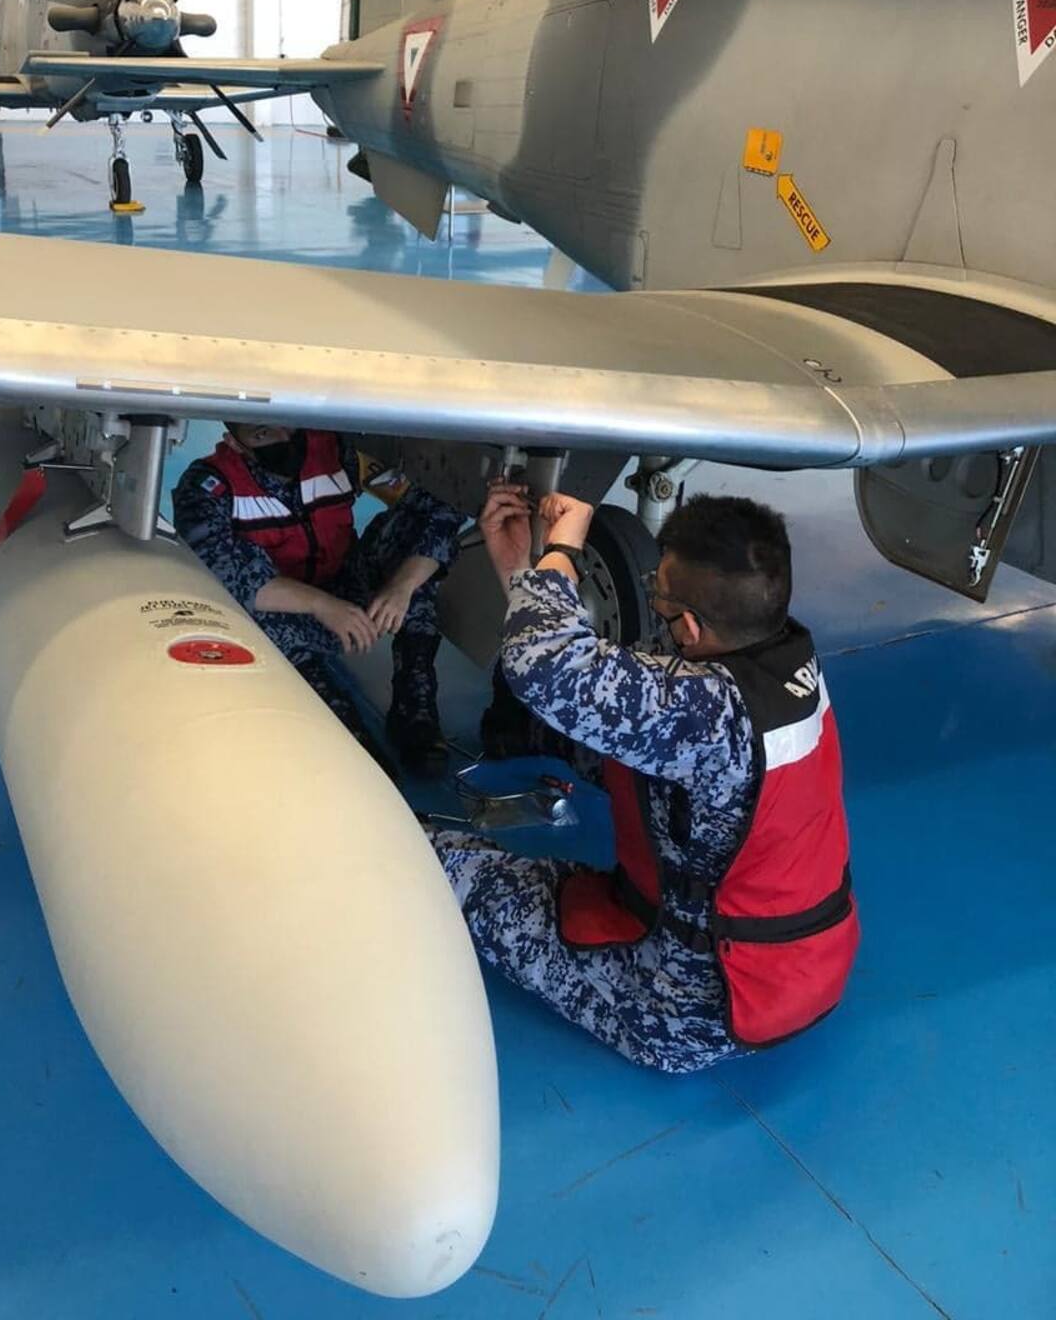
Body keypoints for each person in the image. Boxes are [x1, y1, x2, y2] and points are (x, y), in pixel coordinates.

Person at [427, 482, 858, 1073]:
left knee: (438, 864)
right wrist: (521, 572)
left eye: (660, 605)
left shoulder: (707, 714)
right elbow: (607, 692)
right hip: (796, 972)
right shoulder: (783, 660)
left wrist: (562, 552)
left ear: (690, 627)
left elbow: (543, 668)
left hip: (689, 1009)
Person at [172, 422, 466, 775]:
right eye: (262, 435)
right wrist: (322, 605)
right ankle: (342, 727)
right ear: (234, 442)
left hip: (348, 586)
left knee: (413, 544)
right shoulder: (208, 487)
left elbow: (437, 508)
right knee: (243, 616)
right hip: (283, 615)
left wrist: (401, 587)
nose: (283, 439)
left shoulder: (339, 453)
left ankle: (414, 705)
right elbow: (228, 575)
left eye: (286, 425)